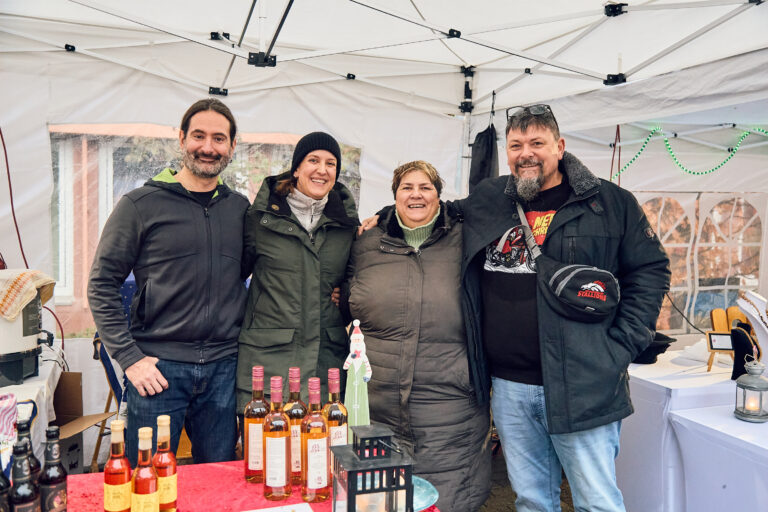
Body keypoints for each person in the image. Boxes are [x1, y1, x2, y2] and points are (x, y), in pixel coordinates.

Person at [460, 105, 671, 511]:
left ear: (559, 147)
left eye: (537, 143)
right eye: (516, 145)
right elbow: (440, 213)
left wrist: (621, 345)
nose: (526, 153)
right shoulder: (490, 198)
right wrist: (384, 216)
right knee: (532, 500)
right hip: (510, 387)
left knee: (596, 502)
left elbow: (650, 270)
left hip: (584, 383)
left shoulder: (609, 203)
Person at [88, 98, 248, 465]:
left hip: (224, 370)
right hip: (157, 370)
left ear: (232, 146)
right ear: (181, 138)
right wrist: (130, 359)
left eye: (219, 138)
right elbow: (101, 284)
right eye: (199, 136)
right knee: (145, 480)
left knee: (218, 483)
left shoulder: (240, 209)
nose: (208, 147)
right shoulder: (140, 204)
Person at [344, 161, 492, 512]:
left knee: (447, 500)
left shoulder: (467, 239)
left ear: (439, 196)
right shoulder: (366, 243)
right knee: (378, 499)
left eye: (425, 187)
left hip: (450, 404)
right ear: (394, 196)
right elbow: (345, 300)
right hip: (377, 401)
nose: (416, 195)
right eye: (406, 187)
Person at [237, 132, 359, 411]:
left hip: (326, 367)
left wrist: (344, 296)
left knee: (322, 439)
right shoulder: (260, 220)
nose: (322, 170)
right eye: (313, 160)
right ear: (296, 169)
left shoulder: (347, 227)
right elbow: (231, 278)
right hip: (269, 365)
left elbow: (358, 281)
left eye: (330, 163)